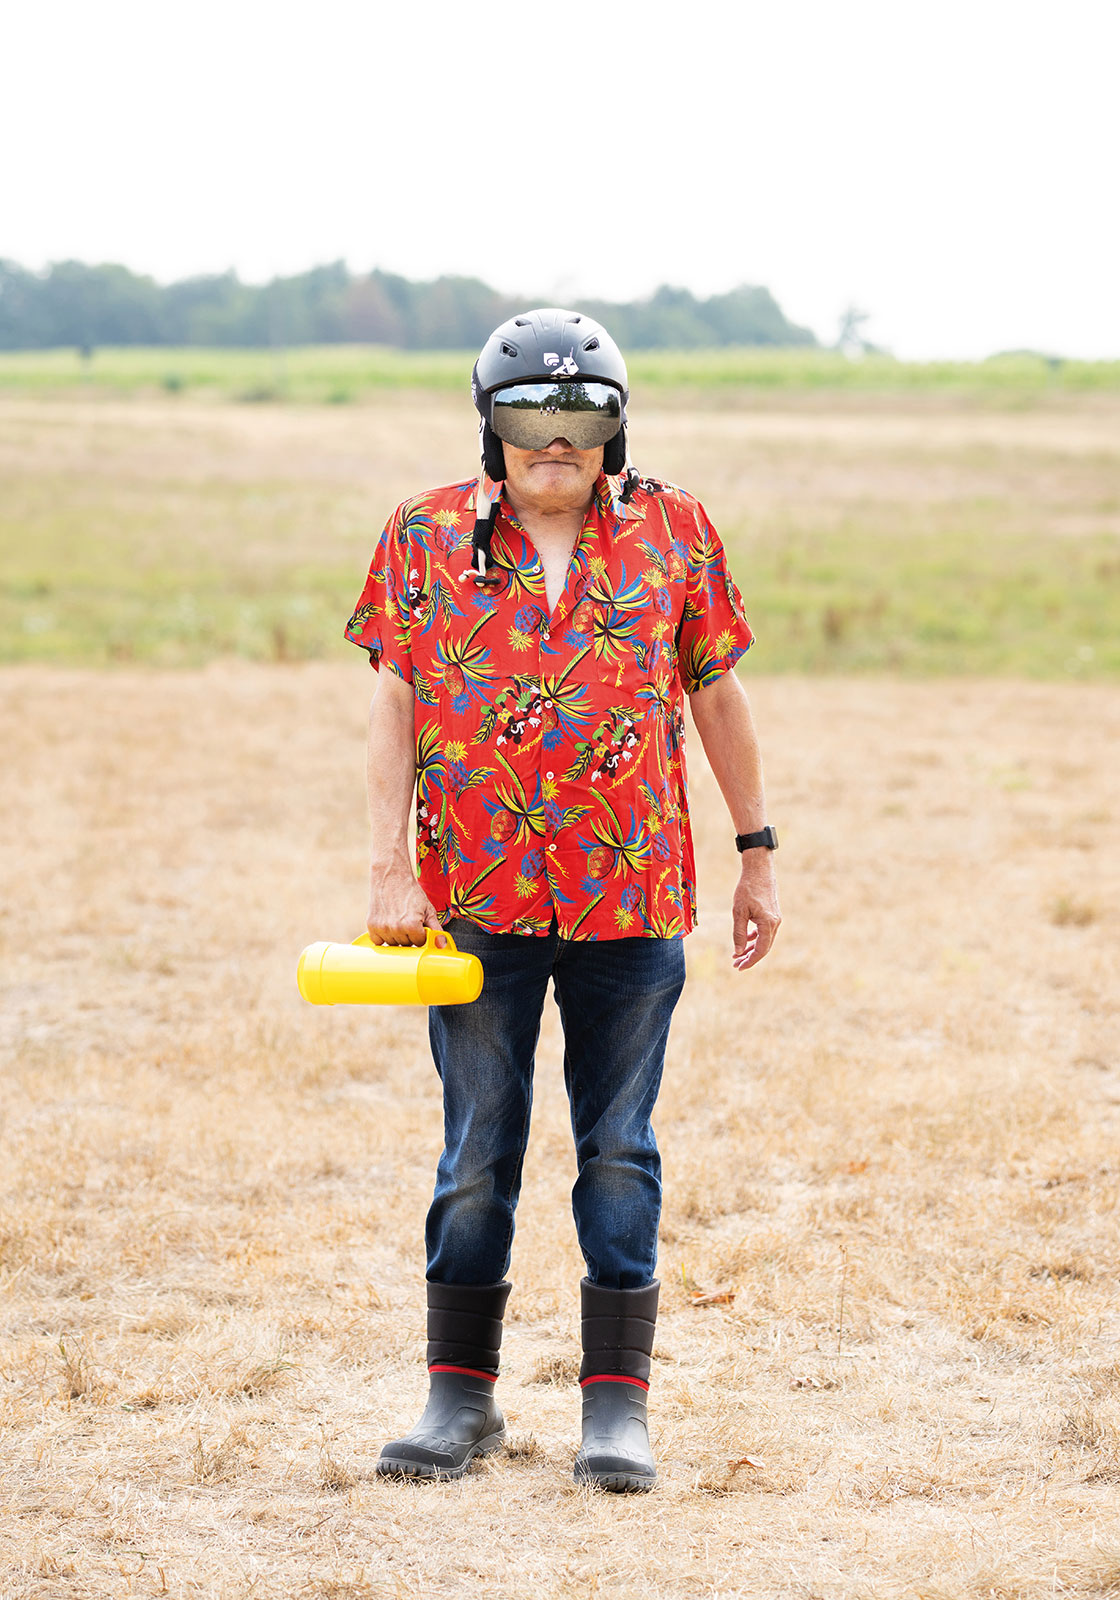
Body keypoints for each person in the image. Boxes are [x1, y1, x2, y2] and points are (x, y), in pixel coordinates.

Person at [345, 308, 780, 1492]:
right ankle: (458, 1401)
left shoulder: (676, 529)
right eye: (528, 412)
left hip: (631, 900)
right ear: (490, 425)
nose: (554, 437)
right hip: (475, 897)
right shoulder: (424, 533)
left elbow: (717, 694)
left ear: (614, 428)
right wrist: (388, 870)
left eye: (580, 413)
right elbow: (394, 703)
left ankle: (614, 1411)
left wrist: (756, 849)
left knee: (618, 1151)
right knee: (475, 1152)